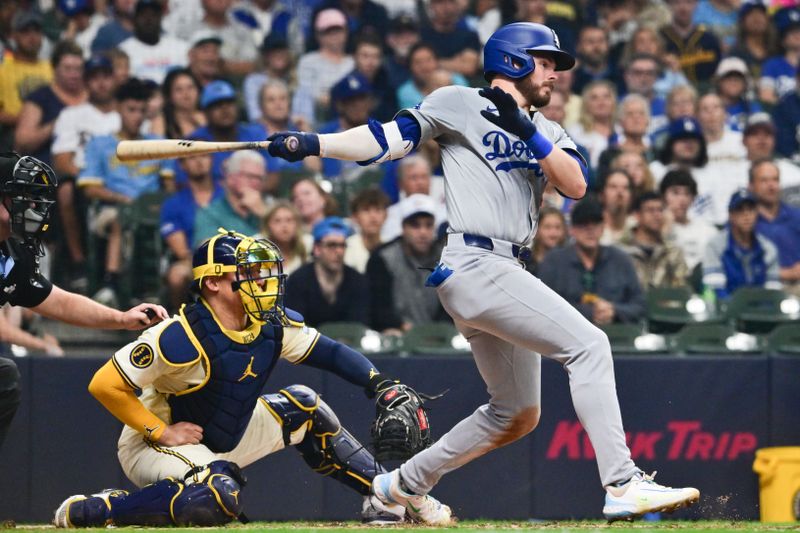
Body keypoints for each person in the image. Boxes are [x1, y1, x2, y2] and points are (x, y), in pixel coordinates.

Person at [265, 21, 699, 524]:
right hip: (474, 260)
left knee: (516, 413)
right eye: (545, 61)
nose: (555, 73)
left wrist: (528, 130)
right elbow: (385, 140)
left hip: (504, 268)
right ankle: (621, 482)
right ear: (513, 60)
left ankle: (398, 486)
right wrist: (313, 143)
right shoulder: (458, 101)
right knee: (589, 345)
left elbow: (577, 185)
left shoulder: (550, 130)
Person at [52, 229, 427, 527]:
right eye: (246, 273)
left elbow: (329, 352)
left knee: (306, 406)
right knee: (217, 496)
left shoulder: (268, 323)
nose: (260, 280)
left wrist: (380, 384)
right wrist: (159, 431)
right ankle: (104, 510)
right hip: (154, 445)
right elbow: (104, 384)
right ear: (213, 283)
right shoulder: (179, 336)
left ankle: (389, 493)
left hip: (220, 438)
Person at [0, 152, 168, 451]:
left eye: (37, 199)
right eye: (22, 198)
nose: (33, 208)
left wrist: (120, 318)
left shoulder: (12, 254)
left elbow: (55, 300)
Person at [78, 78, 173, 306]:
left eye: (142, 111)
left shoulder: (157, 143)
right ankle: (111, 284)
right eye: (131, 110)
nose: (137, 116)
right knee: (123, 217)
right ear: (118, 108)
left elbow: (169, 187)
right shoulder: (100, 144)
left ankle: (155, 287)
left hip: (151, 209)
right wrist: (121, 199)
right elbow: (90, 188)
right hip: (112, 208)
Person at [51, 53, 119, 290]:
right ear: (86, 82)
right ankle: (78, 262)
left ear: (114, 79)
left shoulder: (127, 113)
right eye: (94, 77)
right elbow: (61, 160)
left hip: (122, 179)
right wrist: (90, 178)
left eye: (106, 76)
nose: (101, 82)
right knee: (66, 190)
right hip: (83, 181)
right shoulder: (72, 115)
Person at [540, 196, 646, 326]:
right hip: (567, 333)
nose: (590, 230)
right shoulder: (554, 261)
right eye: (583, 224)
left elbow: (640, 306)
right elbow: (544, 306)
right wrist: (589, 312)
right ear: (572, 230)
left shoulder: (621, 260)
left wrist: (614, 310)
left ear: (602, 228)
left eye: (595, 224)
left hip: (618, 336)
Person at [365, 194, 448, 334]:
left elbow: (451, 305)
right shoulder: (383, 257)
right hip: (395, 337)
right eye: (415, 225)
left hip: (440, 337)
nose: (423, 232)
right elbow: (378, 307)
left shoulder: (445, 258)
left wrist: (436, 331)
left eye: (428, 225)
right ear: (403, 227)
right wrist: (402, 327)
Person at [160, 151, 223, 311]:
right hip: (192, 259)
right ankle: (181, 319)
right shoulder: (173, 204)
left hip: (231, 257)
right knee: (176, 276)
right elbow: (181, 251)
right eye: (192, 157)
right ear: (182, 165)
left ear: (211, 160)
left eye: (203, 156)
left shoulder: (227, 195)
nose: (199, 161)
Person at [285, 217, 369, 328]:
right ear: (317, 249)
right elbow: (294, 325)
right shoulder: (298, 281)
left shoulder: (357, 280)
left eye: (342, 245)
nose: (339, 251)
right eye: (331, 245)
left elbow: (361, 323)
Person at [13, 40, 86, 165]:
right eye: (67, 68)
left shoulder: (93, 96)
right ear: (54, 68)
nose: (74, 75)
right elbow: (21, 144)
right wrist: (57, 124)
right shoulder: (40, 98)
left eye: (78, 69)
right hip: (49, 170)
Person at [702, 188, 781, 299]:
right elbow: (715, 290)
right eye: (740, 210)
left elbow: (773, 293)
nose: (746, 215)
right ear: (731, 215)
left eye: (751, 209)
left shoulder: (768, 249)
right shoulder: (715, 246)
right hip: (725, 313)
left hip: (761, 312)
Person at [193, 150, 268, 246]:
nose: (256, 182)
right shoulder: (209, 214)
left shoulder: (269, 208)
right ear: (230, 177)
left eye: (260, 178)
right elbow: (207, 250)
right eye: (250, 176)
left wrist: (264, 214)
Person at [619, 191, 689, 289]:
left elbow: (682, 288)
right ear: (637, 215)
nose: (657, 215)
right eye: (650, 210)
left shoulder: (673, 252)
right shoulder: (621, 250)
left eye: (660, 210)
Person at [749, 159, 800, 288]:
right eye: (764, 181)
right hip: (760, 288)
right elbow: (737, 263)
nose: (771, 186)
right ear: (751, 186)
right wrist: (784, 273)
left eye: (775, 180)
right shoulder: (742, 221)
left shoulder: (796, 216)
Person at [659, 169, 718, 280]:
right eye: (675, 193)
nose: (682, 199)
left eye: (687, 193)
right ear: (663, 196)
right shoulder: (656, 228)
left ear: (693, 198)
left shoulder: (708, 230)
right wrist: (666, 228)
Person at [119, 0, 189, 84]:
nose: (148, 19)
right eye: (143, 15)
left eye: (153, 15)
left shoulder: (179, 47)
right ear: (134, 20)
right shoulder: (123, 51)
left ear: (160, 18)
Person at [150, 68, 205, 139]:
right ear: (169, 95)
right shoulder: (161, 122)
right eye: (179, 89)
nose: (186, 94)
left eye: (190, 87)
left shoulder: (208, 118)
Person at [345, 188, 389, 274]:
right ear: (355, 217)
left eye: (378, 210)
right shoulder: (346, 249)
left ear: (386, 215)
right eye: (366, 210)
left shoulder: (393, 249)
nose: (373, 216)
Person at [260, 200, 306, 275]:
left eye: (289, 220)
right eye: (277, 221)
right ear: (267, 225)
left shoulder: (307, 245)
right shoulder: (256, 246)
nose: (284, 225)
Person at [526, 206, 567, 275]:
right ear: (536, 230)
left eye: (558, 227)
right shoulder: (525, 262)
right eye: (547, 227)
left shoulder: (569, 262)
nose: (553, 234)